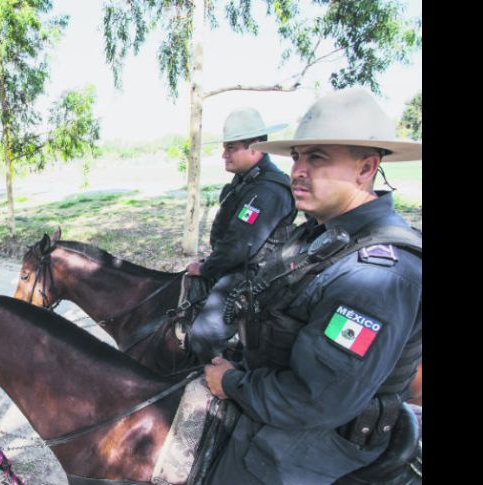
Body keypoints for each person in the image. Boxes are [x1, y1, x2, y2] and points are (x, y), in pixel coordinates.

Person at [193, 88, 422, 484]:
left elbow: (316, 398)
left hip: (320, 434)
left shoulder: (379, 275)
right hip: (272, 393)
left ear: (366, 168)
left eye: (317, 158)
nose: (298, 169)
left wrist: (232, 382)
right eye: (297, 156)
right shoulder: (321, 234)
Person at [186, 107, 296, 359]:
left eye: (231, 148)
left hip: (258, 275)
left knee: (204, 335)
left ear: (255, 147)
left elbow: (239, 244)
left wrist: (205, 268)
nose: (224, 154)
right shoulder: (248, 181)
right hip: (240, 267)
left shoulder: (268, 190)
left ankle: (231, 382)